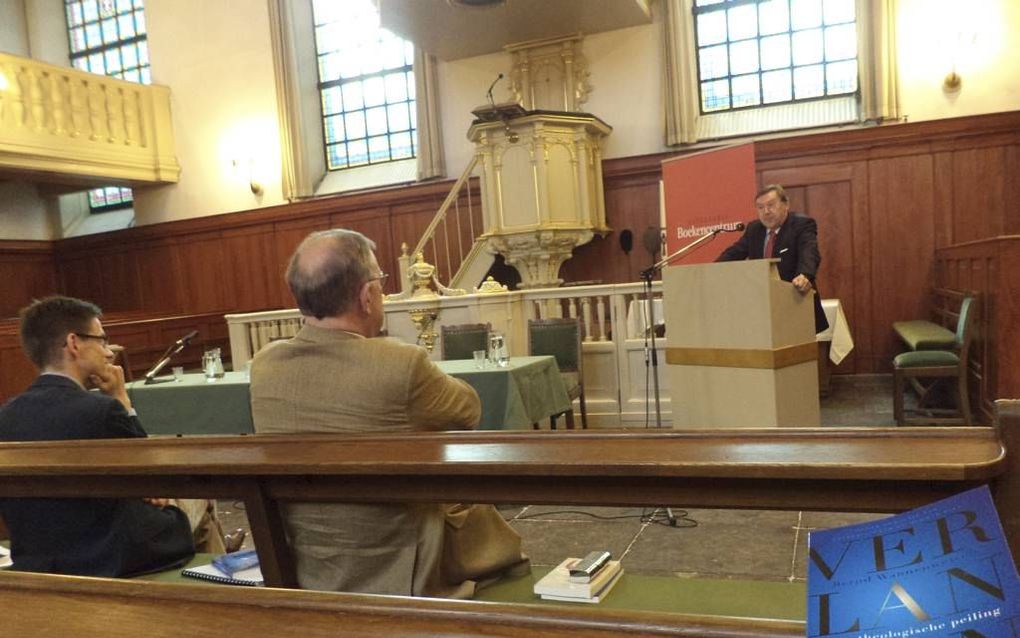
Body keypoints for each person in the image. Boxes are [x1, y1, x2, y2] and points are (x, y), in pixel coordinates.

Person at [249, 228, 527, 598]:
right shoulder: (399, 363)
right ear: (367, 297)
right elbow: (468, 411)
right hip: (400, 572)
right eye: (380, 281)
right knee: (475, 515)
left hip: (308, 568)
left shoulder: (264, 366)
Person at [0, 296, 203, 577]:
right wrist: (121, 399)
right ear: (74, 343)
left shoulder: (5, 415)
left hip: (37, 558)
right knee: (197, 502)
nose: (109, 353)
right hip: (109, 555)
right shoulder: (103, 410)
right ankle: (216, 584)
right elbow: (156, 478)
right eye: (102, 340)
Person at [717, 184, 829, 334]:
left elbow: (809, 252)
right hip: (762, 311)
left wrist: (805, 274)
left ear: (786, 205)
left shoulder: (801, 224)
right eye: (760, 207)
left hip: (795, 304)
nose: (766, 212)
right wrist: (713, 269)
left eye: (771, 205)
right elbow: (734, 253)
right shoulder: (754, 229)